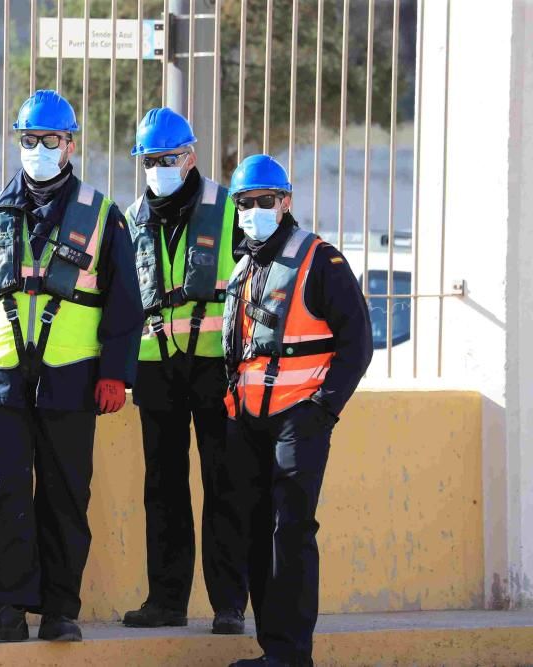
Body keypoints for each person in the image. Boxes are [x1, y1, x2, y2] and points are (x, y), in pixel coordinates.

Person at [0, 89, 144, 643]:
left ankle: (59, 612)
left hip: (72, 376)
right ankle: (4, 613)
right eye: (28, 139)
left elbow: (126, 301)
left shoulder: (101, 214)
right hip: (1, 378)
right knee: (2, 493)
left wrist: (116, 374)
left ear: (70, 144)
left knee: (65, 495)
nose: (37, 149)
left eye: (48, 140)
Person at [221, 155, 372, 667]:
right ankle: (273, 650)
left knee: (290, 530)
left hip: (299, 418)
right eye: (245, 202)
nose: (254, 211)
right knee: (256, 529)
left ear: (285, 202)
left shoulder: (319, 258)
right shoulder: (244, 266)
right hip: (248, 421)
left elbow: (358, 343)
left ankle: (291, 654)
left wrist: (324, 409)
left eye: (265, 201)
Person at [120, 107, 248, 634]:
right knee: (163, 487)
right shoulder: (131, 218)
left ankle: (229, 605)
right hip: (156, 368)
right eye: (150, 160)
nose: (159, 167)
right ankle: (166, 601)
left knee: (224, 483)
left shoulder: (228, 208)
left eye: (168, 158)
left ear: (191, 156)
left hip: (215, 365)